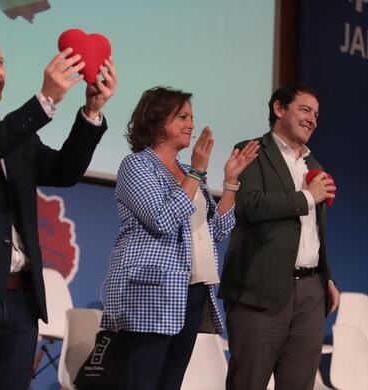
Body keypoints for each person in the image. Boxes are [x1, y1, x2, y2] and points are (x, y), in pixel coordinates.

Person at [0, 27, 116, 389]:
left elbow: (64, 171)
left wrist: (90, 112)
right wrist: (45, 100)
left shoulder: (12, 134)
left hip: (20, 303)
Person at [100, 86, 259, 390]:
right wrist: (197, 172)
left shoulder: (187, 171)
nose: (191, 125)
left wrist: (230, 182)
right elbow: (162, 219)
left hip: (192, 292)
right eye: (183, 117)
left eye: (192, 117)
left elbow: (217, 231)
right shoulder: (137, 166)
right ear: (157, 120)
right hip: (151, 291)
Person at [218, 82, 340, 390]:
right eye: (304, 109)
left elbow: (316, 231)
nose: (312, 118)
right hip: (259, 291)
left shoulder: (314, 165)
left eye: (316, 113)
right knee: (248, 382)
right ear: (278, 109)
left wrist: (327, 277)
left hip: (310, 294)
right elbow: (249, 205)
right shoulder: (252, 151)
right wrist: (305, 197)